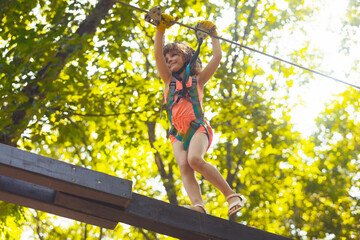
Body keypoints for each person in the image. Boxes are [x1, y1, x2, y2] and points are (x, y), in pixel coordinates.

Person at [153, 13, 246, 217]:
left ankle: (232, 195)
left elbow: (217, 57)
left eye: (174, 56)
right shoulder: (168, 80)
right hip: (176, 133)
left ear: (185, 56)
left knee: (195, 159)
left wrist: (214, 35)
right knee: (184, 167)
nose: (169, 61)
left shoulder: (198, 79)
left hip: (197, 127)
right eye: (168, 59)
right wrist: (160, 29)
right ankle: (199, 206)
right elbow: (158, 56)